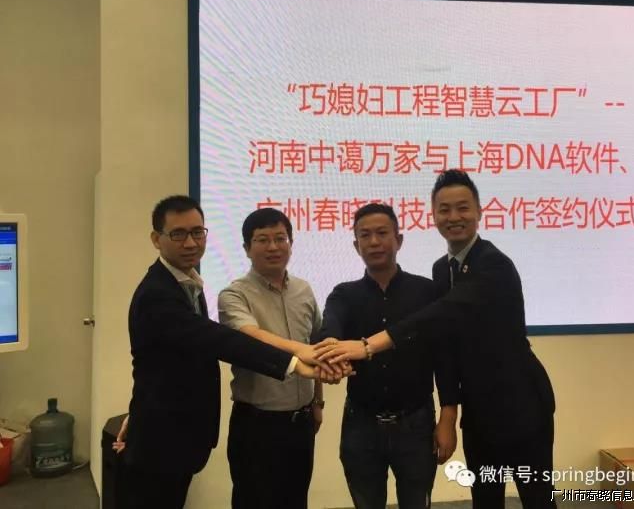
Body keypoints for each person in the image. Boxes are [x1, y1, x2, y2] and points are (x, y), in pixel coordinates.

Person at [316, 170, 557, 509]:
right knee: (486, 498)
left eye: (463, 208)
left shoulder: (494, 264)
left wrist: (369, 345)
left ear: (479, 212)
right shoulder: (442, 270)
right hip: (477, 409)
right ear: (433, 216)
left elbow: (442, 313)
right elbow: (445, 342)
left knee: (537, 498)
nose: (453, 217)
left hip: (520, 404)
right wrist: (452, 410)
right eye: (444, 209)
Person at [121, 195, 339, 509]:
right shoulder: (160, 293)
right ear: (157, 239)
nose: (190, 242)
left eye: (197, 232)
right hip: (169, 437)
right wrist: (294, 361)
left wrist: (316, 398)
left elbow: (165, 361)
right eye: (178, 234)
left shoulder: (187, 283)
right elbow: (224, 340)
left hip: (186, 429)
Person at [313, 203, 459, 509]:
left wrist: (448, 417)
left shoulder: (427, 292)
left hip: (416, 422)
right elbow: (330, 330)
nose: (374, 242)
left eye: (382, 233)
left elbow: (446, 357)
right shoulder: (344, 294)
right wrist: (329, 349)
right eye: (365, 235)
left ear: (399, 240)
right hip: (361, 424)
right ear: (356, 245)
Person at [217, 208, 324, 509]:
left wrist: (318, 402)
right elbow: (251, 337)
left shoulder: (303, 290)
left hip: (301, 422)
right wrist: (299, 351)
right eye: (263, 240)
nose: (274, 247)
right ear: (246, 248)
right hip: (257, 426)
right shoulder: (233, 295)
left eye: (280, 238)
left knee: (296, 500)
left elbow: (315, 346)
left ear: (291, 243)